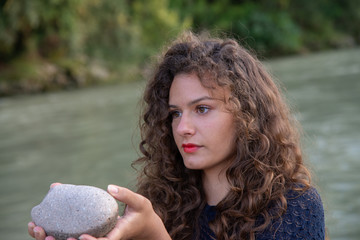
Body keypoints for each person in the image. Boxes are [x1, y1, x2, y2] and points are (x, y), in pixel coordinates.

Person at [28, 31, 325, 240]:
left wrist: (154, 236)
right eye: (175, 113)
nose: (183, 128)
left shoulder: (295, 207)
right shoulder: (159, 202)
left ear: (249, 115)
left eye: (203, 109)